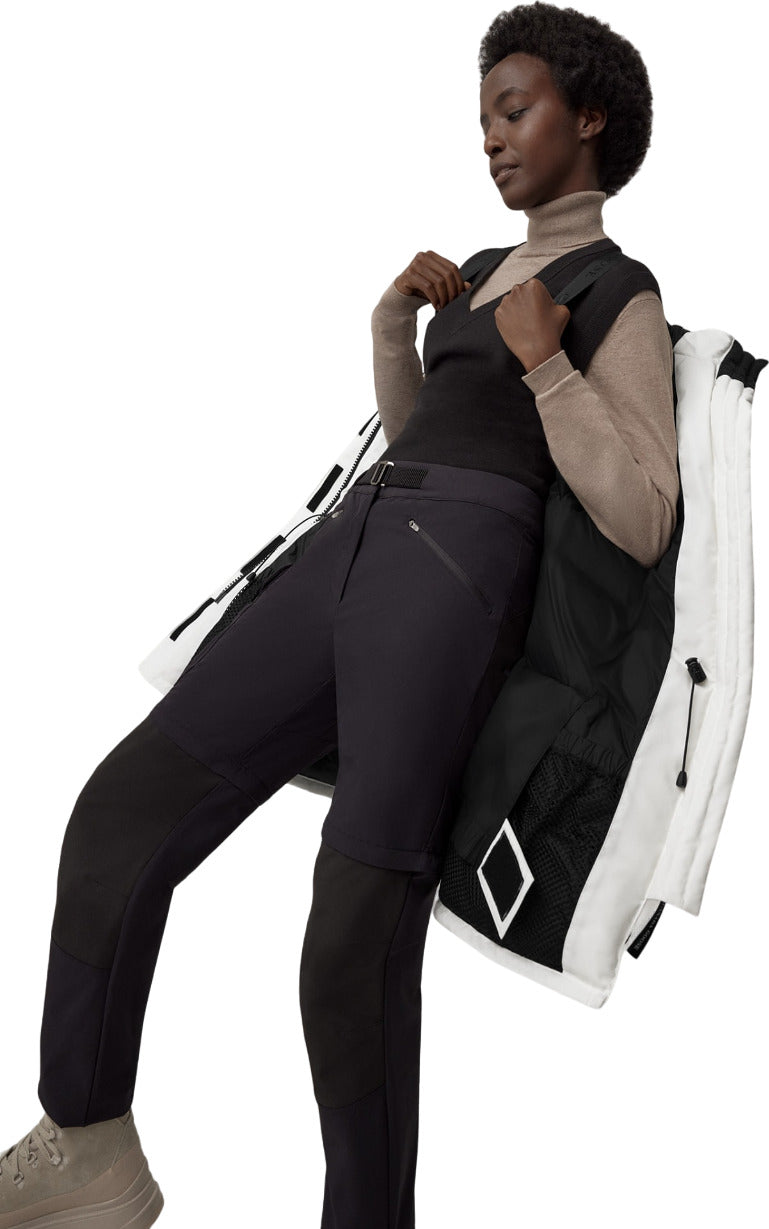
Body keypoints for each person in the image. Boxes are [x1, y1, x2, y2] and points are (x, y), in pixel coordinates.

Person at [0, 4, 679, 1228]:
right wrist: (389, 330)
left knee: (351, 929)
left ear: (589, 118)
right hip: (358, 537)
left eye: (514, 109)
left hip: (456, 577)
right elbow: (418, 439)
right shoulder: (479, 269)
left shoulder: (615, 289)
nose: (490, 136)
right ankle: (87, 1143)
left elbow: (640, 513)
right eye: (482, 116)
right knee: (119, 809)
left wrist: (547, 362)